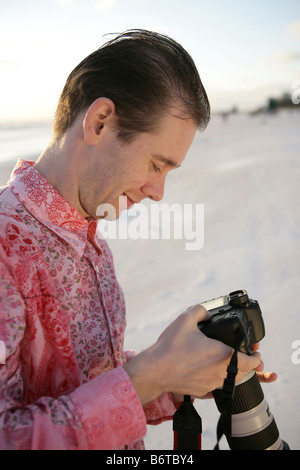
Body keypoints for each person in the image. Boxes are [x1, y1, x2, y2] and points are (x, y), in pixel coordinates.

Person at [0, 29, 276, 450]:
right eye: (155, 164)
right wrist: (151, 375)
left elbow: (88, 381)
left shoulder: (88, 234)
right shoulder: (5, 247)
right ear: (100, 122)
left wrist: (180, 376)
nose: (158, 191)